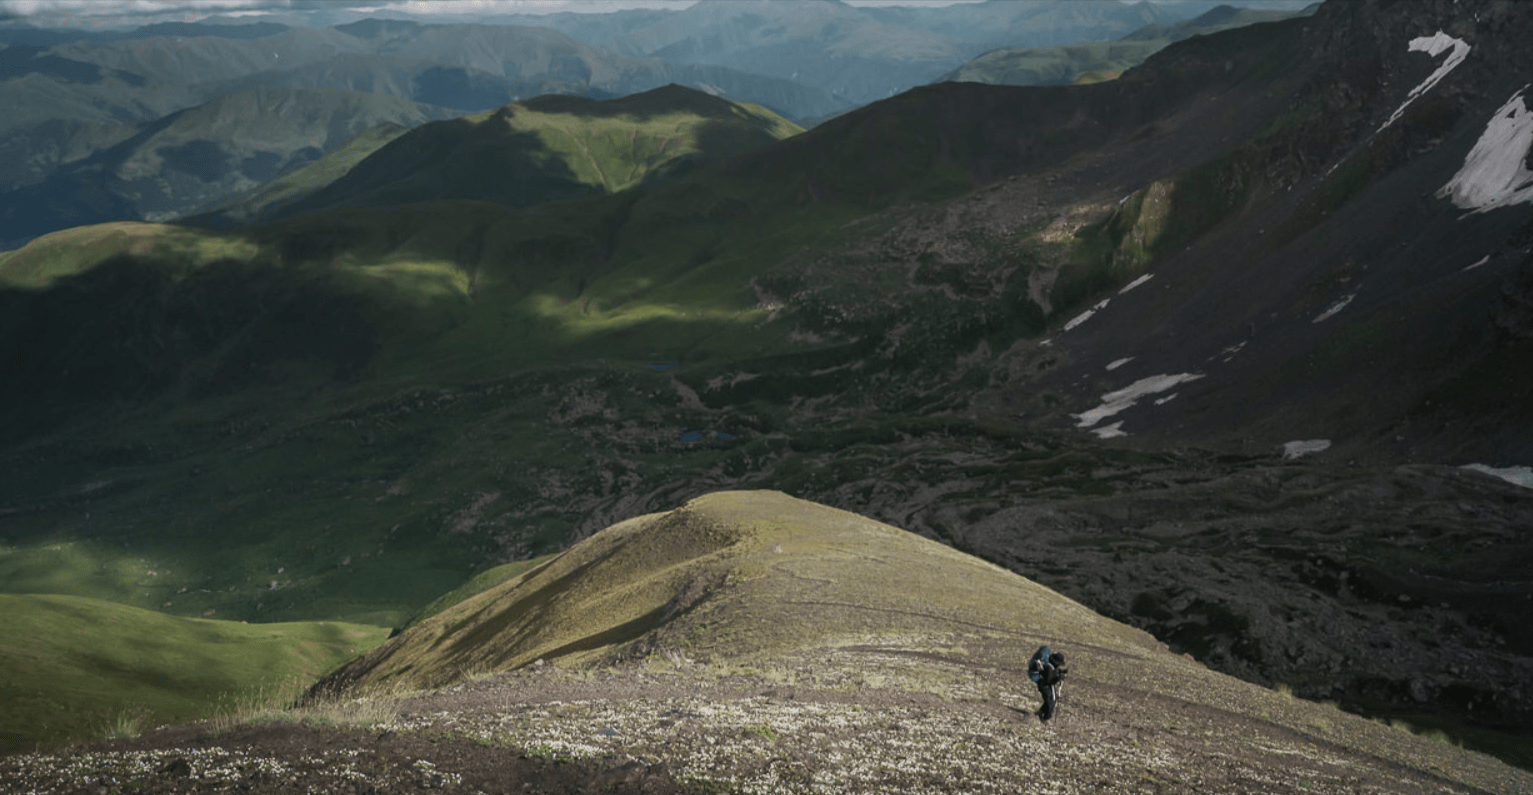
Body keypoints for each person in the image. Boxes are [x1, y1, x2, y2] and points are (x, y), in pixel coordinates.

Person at [1027, 646, 1067, 722]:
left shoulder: (1051, 666)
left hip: (1046, 686)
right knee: (1050, 703)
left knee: (1051, 701)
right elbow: (1050, 680)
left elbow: (1055, 672)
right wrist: (1059, 678)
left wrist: (1062, 672)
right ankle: (1045, 718)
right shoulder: (1049, 668)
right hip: (1045, 686)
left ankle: (1041, 712)